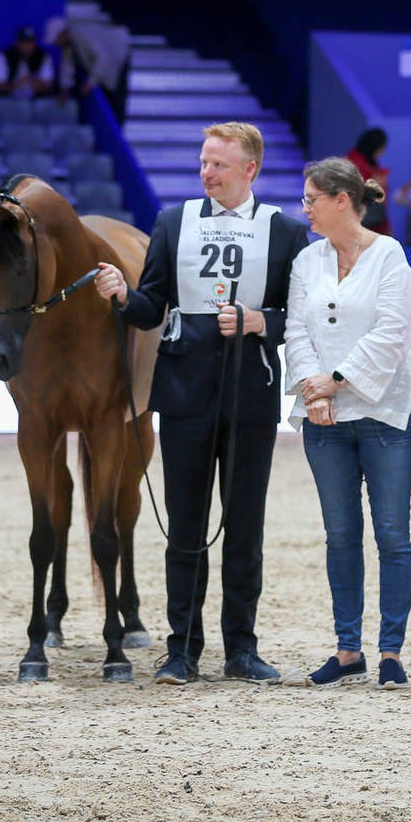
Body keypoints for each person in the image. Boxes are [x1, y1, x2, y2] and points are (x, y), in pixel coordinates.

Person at [93, 121, 309, 684]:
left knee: (245, 526)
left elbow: (301, 317)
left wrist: (264, 320)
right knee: (184, 529)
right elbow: (152, 306)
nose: (206, 172)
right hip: (185, 392)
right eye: (204, 161)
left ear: (250, 170)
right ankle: (181, 649)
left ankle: (242, 647)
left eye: (218, 164)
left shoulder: (283, 231)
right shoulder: (173, 221)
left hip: (250, 392)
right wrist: (123, 296)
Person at [284, 157, 411, 689]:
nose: (306, 209)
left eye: (311, 199)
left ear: (341, 201)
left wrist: (336, 381)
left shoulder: (389, 256)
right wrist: (312, 389)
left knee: (391, 532)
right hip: (324, 415)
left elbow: (392, 332)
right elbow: (296, 331)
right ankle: (348, 649)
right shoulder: (307, 262)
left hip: (387, 412)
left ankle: (390, 651)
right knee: (340, 534)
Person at [346, 127, 392, 235]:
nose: (383, 152)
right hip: (358, 219)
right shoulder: (353, 162)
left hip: (375, 221)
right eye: (382, 148)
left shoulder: (372, 164)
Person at [0, 25, 55, 99]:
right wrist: (18, 84)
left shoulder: (43, 56)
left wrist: (30, 81)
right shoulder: (4, 56)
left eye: (30, 42)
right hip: (10, 100)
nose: (27, 46)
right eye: (24, 42)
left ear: (35, 43)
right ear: (17, 42)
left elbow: (48, 85)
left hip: (35, 100)